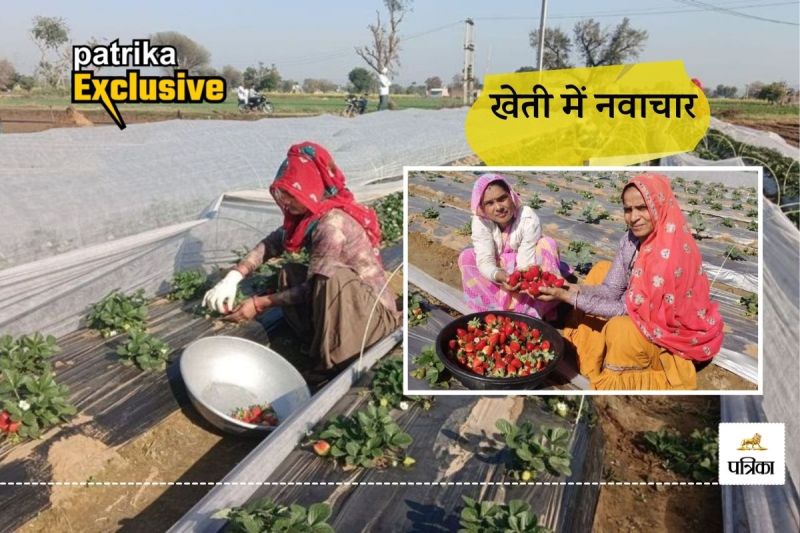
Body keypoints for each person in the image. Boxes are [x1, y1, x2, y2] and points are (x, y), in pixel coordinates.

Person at [203, 141, 401, 375]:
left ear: (310, 188)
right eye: (283, 194)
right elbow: (272, 243)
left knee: (332, 278)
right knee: (289, 273)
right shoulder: (310, 215)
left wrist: (259, 304)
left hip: (373, 317)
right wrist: (234, 277)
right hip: (348, 303)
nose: (286, 201)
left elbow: (313, 288)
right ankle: (318, 340)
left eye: (292, 194)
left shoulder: (330, 225)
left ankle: (335, 360)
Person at [536, 173, 724, 390]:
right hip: (635, 306)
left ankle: (625, 373)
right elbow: (611, 289)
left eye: (642, 208)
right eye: (628, 209)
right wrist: (569, 287)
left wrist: (568, 297)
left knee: (621, 329)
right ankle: (590, 357)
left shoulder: (668, 257)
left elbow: (624, 311)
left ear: (659, 206)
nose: (634, 217)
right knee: (600, 270)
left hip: (666, 334)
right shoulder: (630, 240)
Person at [458, 173, 567, 320]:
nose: (498, 207)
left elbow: (526, 258)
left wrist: (520, 279)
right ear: (482, 207)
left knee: (547, 243)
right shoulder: (480, 222)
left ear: (511, 196)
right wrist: (500, 276)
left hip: (527, 269)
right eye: (490, 203)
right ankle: (492, 311)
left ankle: (529, 312)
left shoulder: (527, 217)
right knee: (467, 257)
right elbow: (485, 260)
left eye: (502, 198)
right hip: (500, 273)